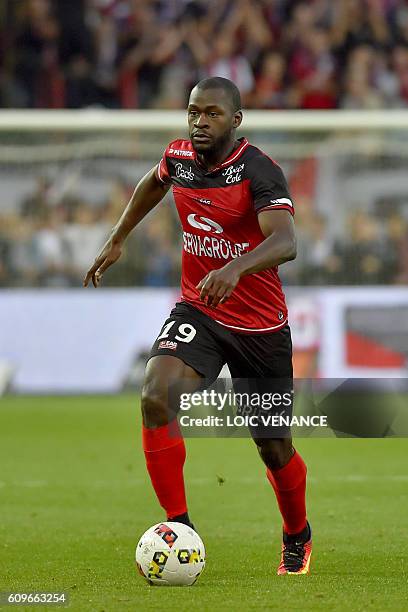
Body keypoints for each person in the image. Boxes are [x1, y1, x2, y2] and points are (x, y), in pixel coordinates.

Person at [84, 77, 312, 575]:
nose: (199, 122)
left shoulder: (260, 171)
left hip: (259, 327)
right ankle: (178, 527)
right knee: (155, 394)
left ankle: (297, 533)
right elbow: (154, 181)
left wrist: (234, 268)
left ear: (235, 120)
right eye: (193, 112)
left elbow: (287, 241)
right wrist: (119, 236)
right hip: (201, 310)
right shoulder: (180, 157)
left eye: (211, 113)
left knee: (274, 447)